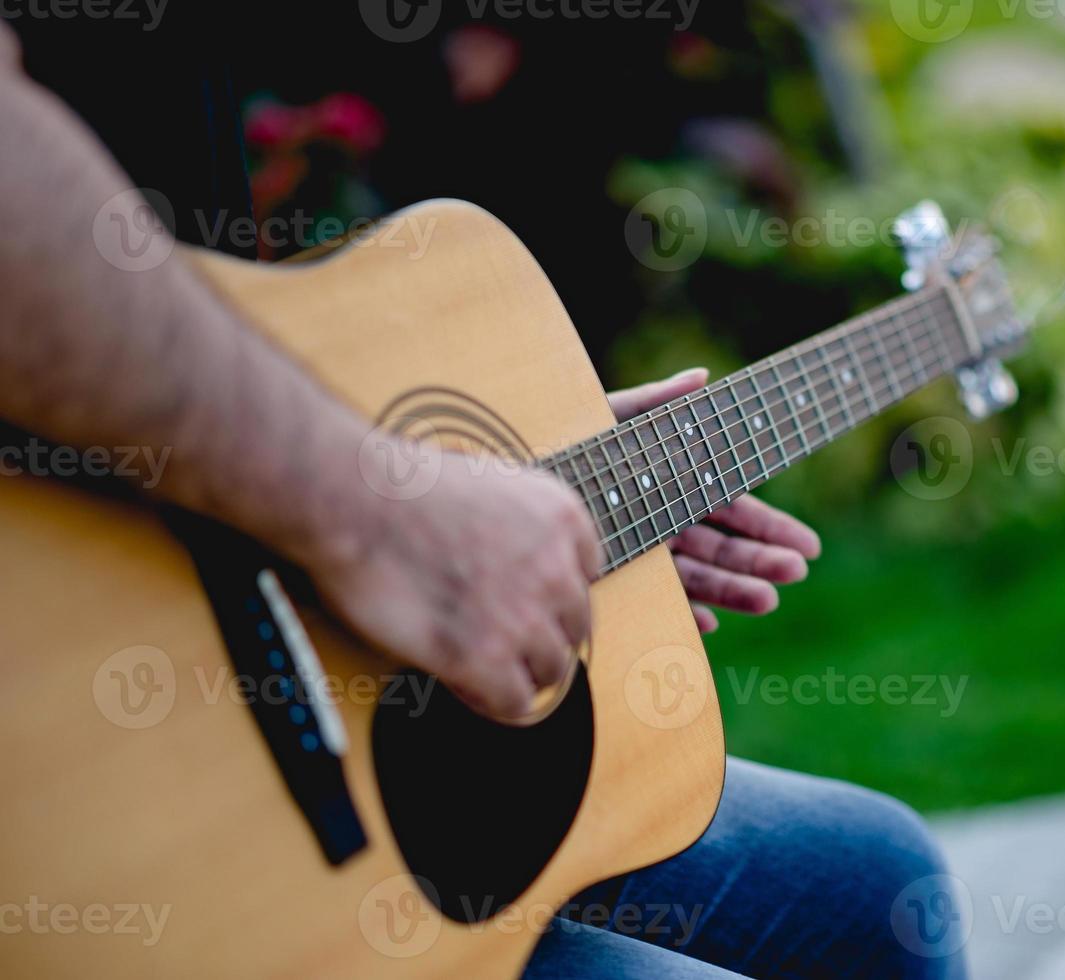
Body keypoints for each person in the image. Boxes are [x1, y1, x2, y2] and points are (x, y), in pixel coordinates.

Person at [0, 16, 968, 978]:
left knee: (876, 879)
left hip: (248, 608)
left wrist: (507, 483)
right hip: (116, 794)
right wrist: (377, 516)